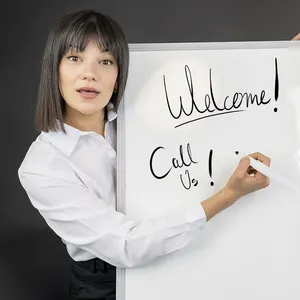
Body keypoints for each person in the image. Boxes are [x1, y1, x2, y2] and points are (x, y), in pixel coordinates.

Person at [17, 9, 298, 300]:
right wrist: (228, 195)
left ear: (117, 75)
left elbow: (226, 108)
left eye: (105, 61)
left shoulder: (142, 114)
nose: (90, 73)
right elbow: (126, 246)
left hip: (186, 260)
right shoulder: (42, 167)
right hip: (106, 285)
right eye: (75, 58)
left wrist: (286, 61)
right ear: (55, 68)